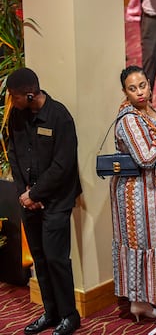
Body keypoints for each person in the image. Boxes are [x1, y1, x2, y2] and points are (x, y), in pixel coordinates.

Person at [7, 68, 81, 335]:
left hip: (57, 201)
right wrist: (24, 193)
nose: (10, 103)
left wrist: (35, 194)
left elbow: (63, 166)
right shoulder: (17, 115)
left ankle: (69, 316)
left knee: (56, 259)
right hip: (29, 200)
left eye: (13, 97)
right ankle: (50, 313)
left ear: (29, 94)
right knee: (39, 258)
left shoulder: (60, 118)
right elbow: (14, 153)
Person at [110, 66, 156, 320]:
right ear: (124, 92)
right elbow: (147, 158)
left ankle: (144, 303)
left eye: (142, 85)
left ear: (150, 84)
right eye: (132, 88)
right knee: (148, 245)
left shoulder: (150, 109)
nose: (139, 92)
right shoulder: (129, 118)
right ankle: (147, 303)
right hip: (139, 195)